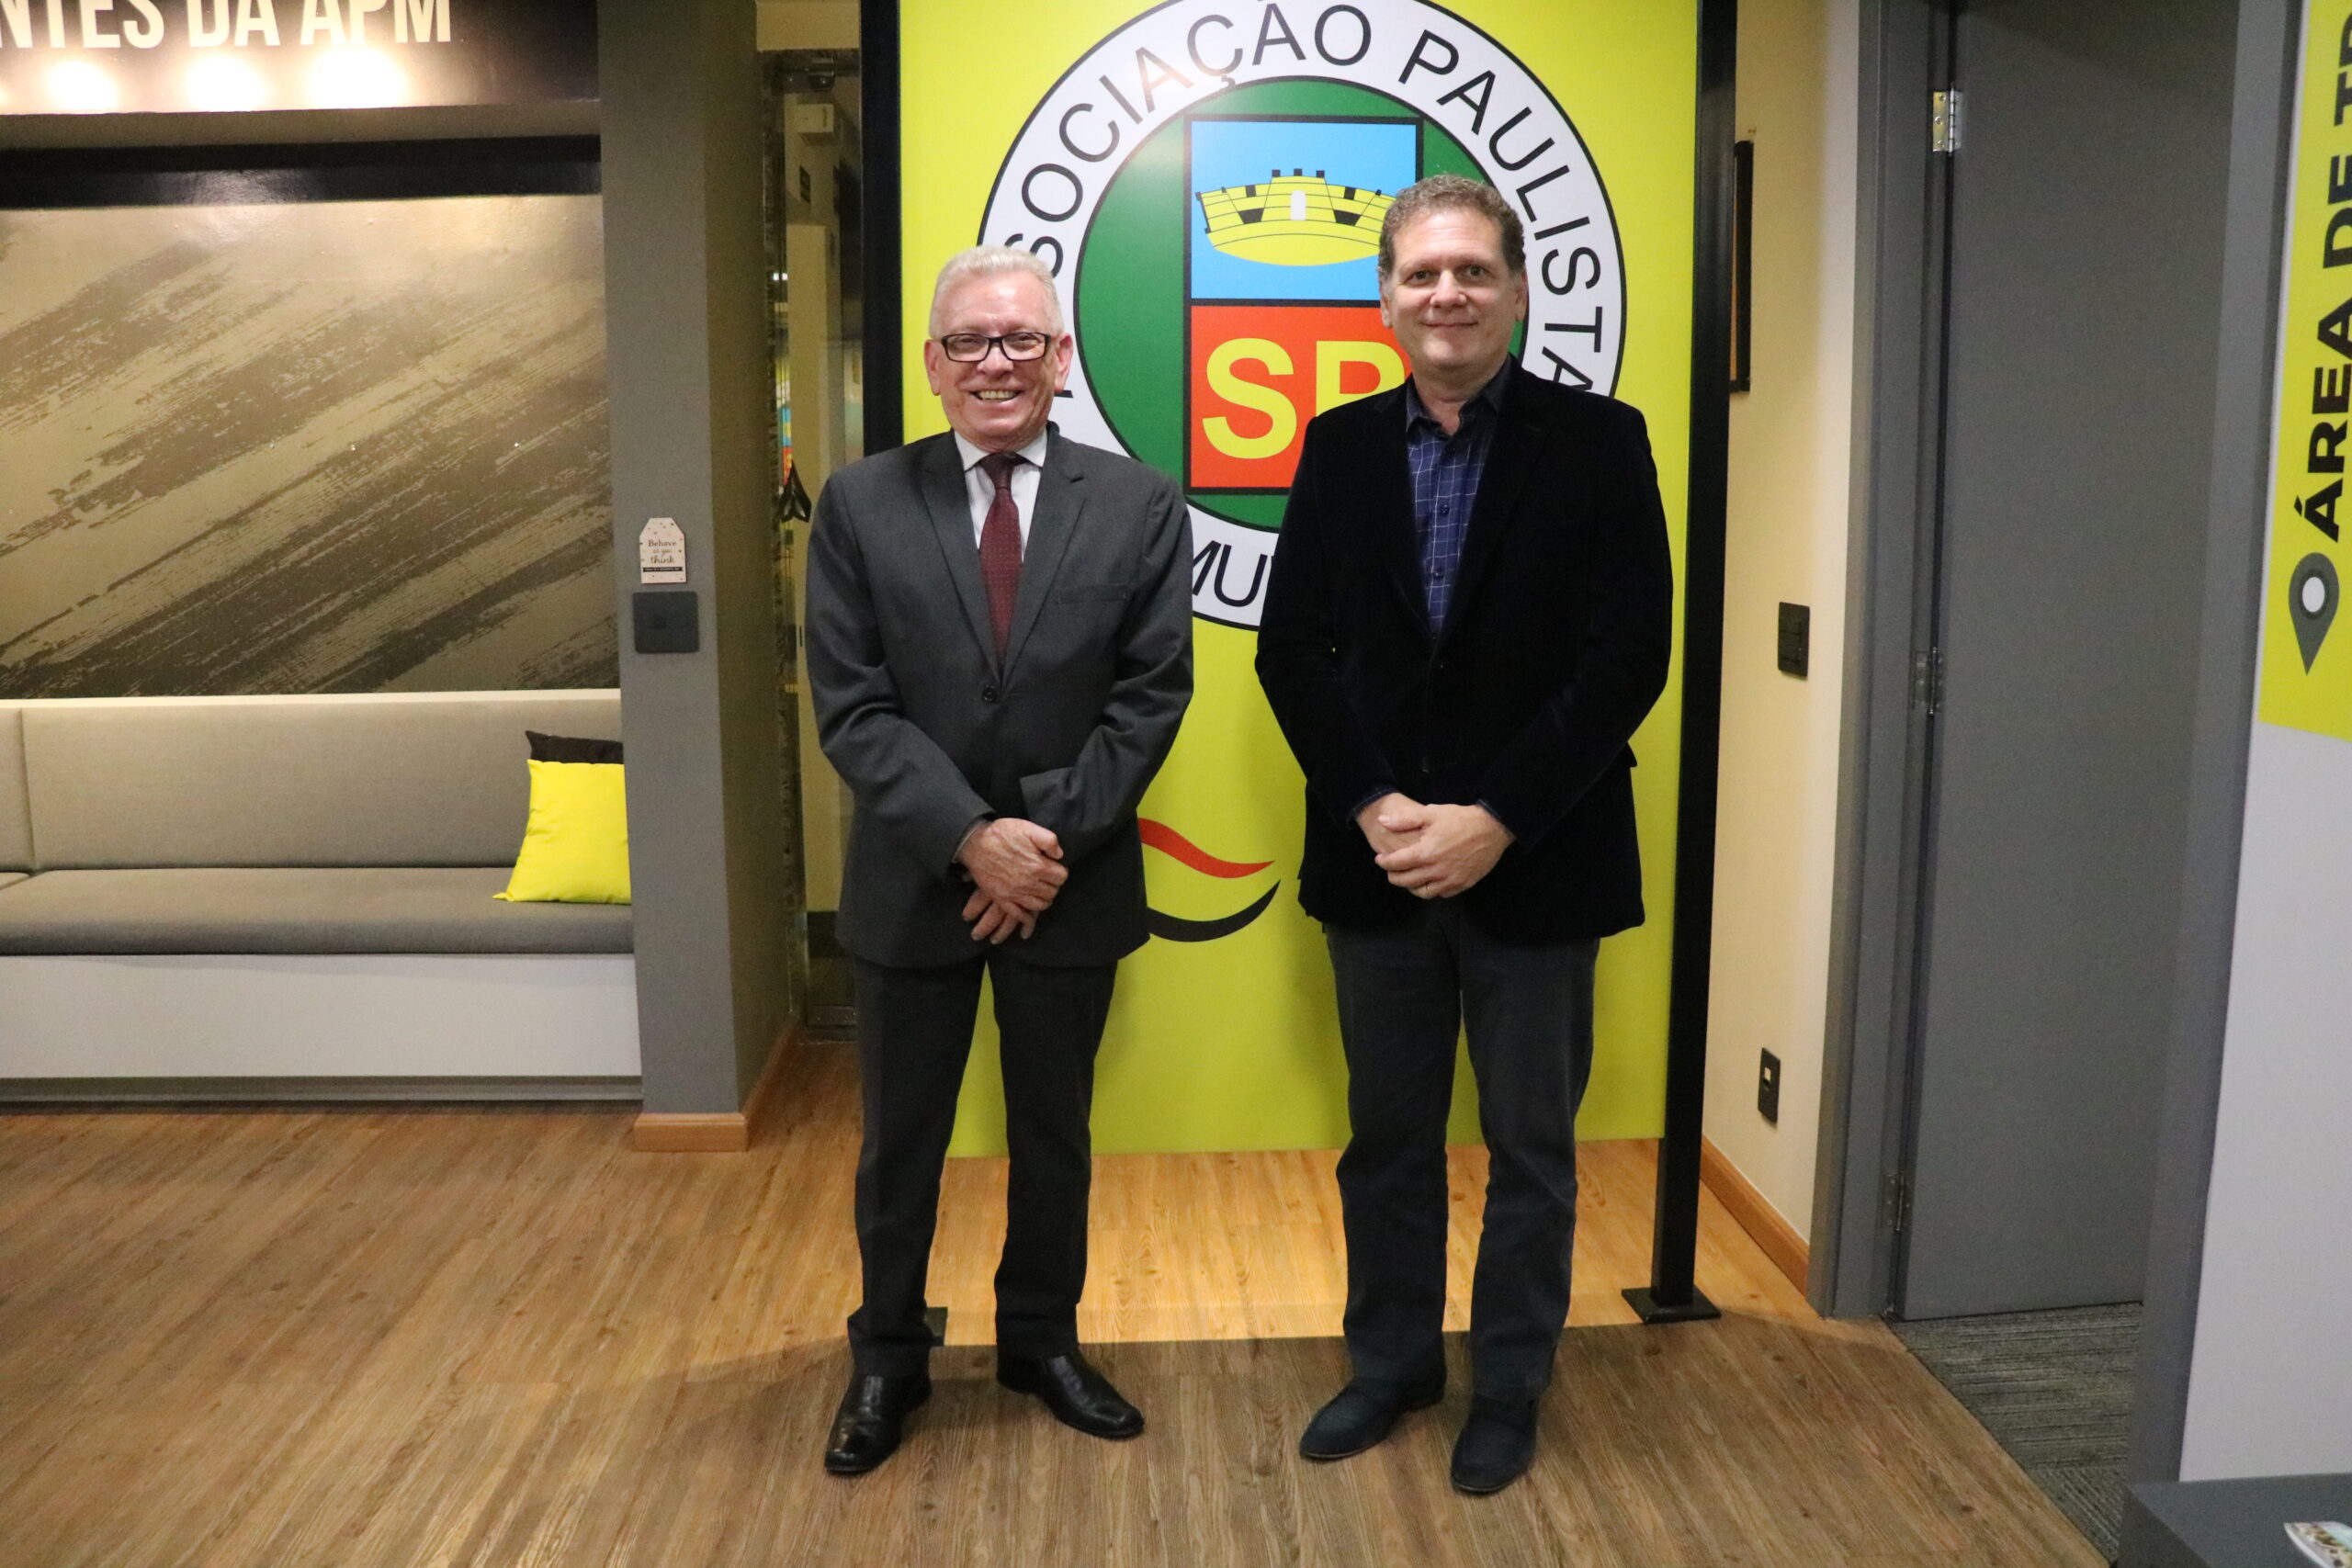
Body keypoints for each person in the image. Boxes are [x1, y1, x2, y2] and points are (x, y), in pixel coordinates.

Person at [1254, 175, 1672, 1495]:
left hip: (1535, 864)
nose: (1447, 294)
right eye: (1423, 274)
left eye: (1473, 272)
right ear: (1385, 297)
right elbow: (1295, 653)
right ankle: (1390, 1366)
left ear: (1518, 290)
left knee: (1533, 1151)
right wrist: (1382, 806)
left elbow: (1627, 657)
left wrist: (1493, 818)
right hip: (1379, 869)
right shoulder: (1339, 446)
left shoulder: (1602, 442)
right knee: (1387, 1141)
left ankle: (1510, 1383)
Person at [804, 245, 1193, 1475]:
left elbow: (1151, 696)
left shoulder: (1138, 503)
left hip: (1067, 889)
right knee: (901, 1144)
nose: (996, 363)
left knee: (1053, 1134)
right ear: (930, 365)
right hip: (914, 887)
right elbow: (851, 707)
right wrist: (971, 838)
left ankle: (1041, 1340)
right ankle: (888, 1360)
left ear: (1061, 358)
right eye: (969, 341)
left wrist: (1044, 841)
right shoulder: (860, 503)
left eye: (1021, 340)